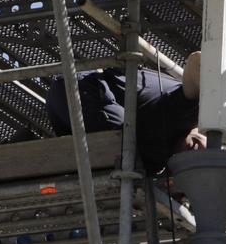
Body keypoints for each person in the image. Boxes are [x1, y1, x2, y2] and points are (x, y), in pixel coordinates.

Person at [46, 51, 207, 175]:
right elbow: (198, 60)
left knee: (137, 164)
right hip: (82, 89)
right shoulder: (189, 112)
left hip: (66, 116)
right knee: (127, 143)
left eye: (195, 163)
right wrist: (216, 94)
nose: (196, 154)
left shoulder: (161, 159)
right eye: (208, 152)